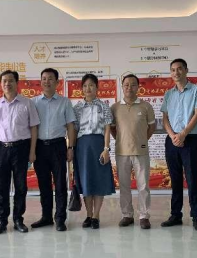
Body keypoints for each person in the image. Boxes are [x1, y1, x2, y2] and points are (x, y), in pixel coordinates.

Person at [0, 70, 39, 234]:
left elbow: (34, 128)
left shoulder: (27, 103)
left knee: (20, 186)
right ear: (0, 84)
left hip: (21, 148)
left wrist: (32, 151)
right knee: (1, 187)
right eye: (4, 81)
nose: (7, 84)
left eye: (10, 80)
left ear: (17, 83)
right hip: (1, 149)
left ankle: (18, 219)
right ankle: (2, 221)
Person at [160, 58, 197, 232]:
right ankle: (175, 215)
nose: (176, 72)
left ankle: (196, 217)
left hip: (190, 139)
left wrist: (183, 134)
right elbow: (165, 118)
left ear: (186, 70)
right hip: (172, 140)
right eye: (173, 70)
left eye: (179, 69)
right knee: (175, 179)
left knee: (192, 179)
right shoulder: (168, 94)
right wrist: (173, 135)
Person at [32, 68, 76, 232]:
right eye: (44, 78)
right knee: (43, 184)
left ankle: (60, 218)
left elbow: (70, 126)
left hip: (58, 145)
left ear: (57, 82)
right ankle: (46, 217)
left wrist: (70, 147)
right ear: (40, 81)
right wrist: (31, 150)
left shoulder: (65, 102)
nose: (47, 81)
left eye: (50, 78)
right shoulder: (34, 102)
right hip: (40, 147)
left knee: (60, 184)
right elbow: (31, 127)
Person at [110, 74, 156, 229]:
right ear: (122, 87)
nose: (129, 87)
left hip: (141, 152)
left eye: (133, 84)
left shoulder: (146, 106)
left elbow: (152, 127)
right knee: (124, 186)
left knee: (143, 186)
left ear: (138, 87)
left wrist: (142, 139)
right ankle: (127, 215)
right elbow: (112, 128)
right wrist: (121, 140)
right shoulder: (115, 108)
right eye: (126, 85)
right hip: (121, 152)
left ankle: (144, 216)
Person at [73, 73, 116, 229]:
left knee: (99, 180)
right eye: (85, 86)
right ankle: (88, 215)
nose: (88, 88)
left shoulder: (104, 106)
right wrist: (71, 148)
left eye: (91, 85)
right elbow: (74, 130)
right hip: (82, 147)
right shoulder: (77, 108)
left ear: (97, 87)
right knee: (86, 180)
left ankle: (96, 216)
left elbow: (107, 129)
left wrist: (106, 149)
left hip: (99, 145)